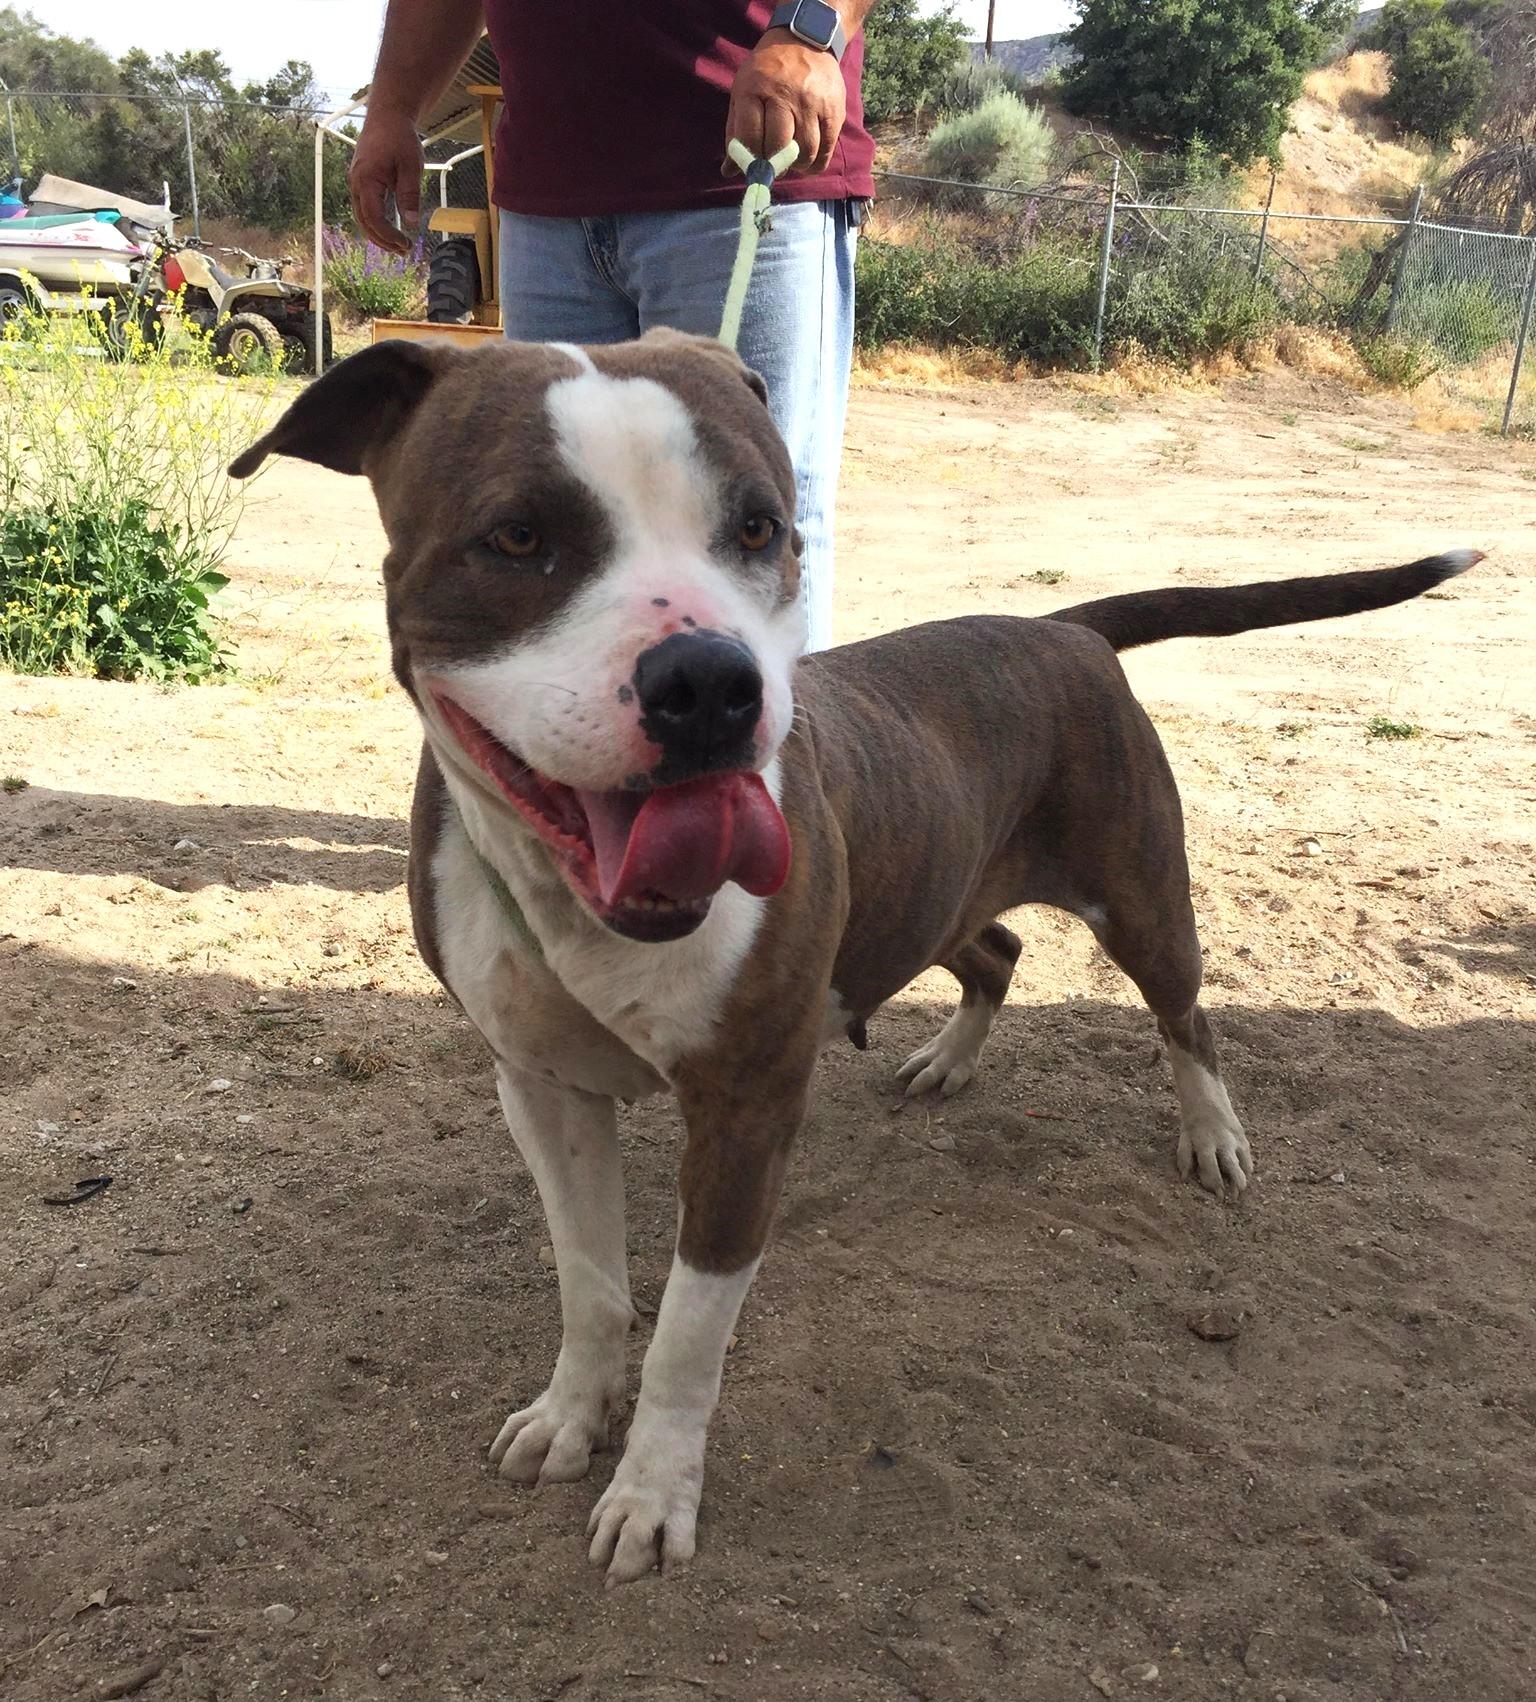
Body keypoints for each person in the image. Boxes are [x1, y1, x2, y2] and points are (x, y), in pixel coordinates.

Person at [350, 2, 877, 652]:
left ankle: (760, 758)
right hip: (546, 198)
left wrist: (812, 29)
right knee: (551, 516)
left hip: (744, 171)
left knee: (754, 515)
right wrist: (393, 109)